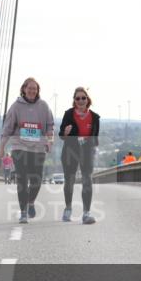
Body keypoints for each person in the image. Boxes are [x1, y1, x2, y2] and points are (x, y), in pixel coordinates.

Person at [0, 77, 55, 224]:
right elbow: (7, 128)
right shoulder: (16, 106)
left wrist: (50, 140)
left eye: (34, 89)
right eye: (29, 88)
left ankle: (30, 202)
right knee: (22, 180)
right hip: (20, 148)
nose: (32, 91)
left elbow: (50, 126)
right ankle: (23, 212)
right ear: (24, 89)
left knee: (37, 179)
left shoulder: (43, 106)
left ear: (38, 91)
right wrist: (2, 147)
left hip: (38, 149)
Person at [58, 87, 100, 224]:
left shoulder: (95, 117)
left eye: (83, 98)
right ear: (74, 101)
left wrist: (91, 145)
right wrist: (65, 132)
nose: (81, 100)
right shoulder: (69, 114)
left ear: (88, 99)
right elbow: (61, 136)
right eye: (78, 98)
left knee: (87, 179)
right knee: (69, 180)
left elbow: (95, 138)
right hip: (70, 151)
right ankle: (68, 208)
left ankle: (86, 213)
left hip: (87, 152)